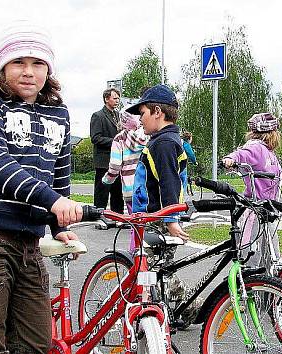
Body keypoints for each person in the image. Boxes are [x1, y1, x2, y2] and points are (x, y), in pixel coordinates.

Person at [0, 22, 82, 353]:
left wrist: (58, 223)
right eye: (18, 62)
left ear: (48, 70)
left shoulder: (59, 113)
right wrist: (53, 202)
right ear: (3, 66)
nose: (28, 72)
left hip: (28, 247)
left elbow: (59, 173)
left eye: (38, 63)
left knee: (36, 345)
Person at [125, 84, 202, 327]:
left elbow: (169, 183)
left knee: (149, 270)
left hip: (158, 217)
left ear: (157, 111)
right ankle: (181, 310)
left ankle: (183, 309)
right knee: (160, 270)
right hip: (157, 216)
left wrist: (169, 220)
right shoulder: (166, 140)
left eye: (143, 113)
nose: (140, 121)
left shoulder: (163, 144)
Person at [222, 113, 282, 268]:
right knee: (250, 256)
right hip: (255, 211)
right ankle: (246, 287)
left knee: (272, 257)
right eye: (277, 133)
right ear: (271, 133)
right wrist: (230, 159)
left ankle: (267, 288)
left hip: (269, 212)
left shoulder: (270, 153)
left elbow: (275, 177)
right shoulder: (256, 148)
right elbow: (241, 154)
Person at [103, 111, 149, 250]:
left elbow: (115, 166)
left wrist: (107, 180)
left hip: (130, 189)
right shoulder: (148, 134)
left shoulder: (119, 139)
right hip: (148, 187)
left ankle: (135, 258)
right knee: (150, 226)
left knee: (135, 227)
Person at [90, 88, 124, 213]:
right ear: (106, 99)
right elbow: (95, 138)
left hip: (117, 160)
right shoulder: (98, 116)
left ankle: (118, 216)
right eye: (114, 98)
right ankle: (99, 215)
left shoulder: (118, 115)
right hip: (104, 161)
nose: (117, 100)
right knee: (102, 191)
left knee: (117, 190)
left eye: (118, 98)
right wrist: (115, 141)